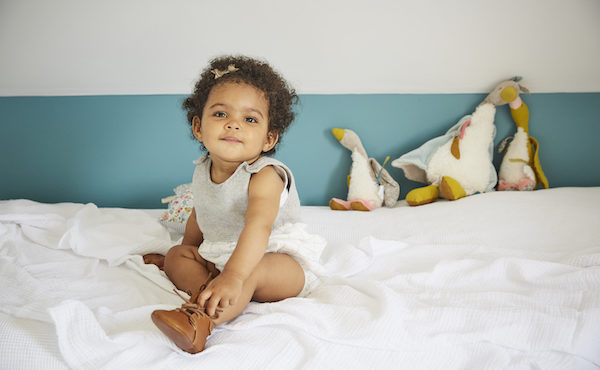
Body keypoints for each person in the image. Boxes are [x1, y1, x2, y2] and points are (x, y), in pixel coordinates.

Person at [144, 55, 325, 354]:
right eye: (220, 114)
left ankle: (200, 321)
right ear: (198, 128)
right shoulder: (202, 169)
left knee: (251, 272)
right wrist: (189, 250)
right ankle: (217, 291)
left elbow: (259, 226)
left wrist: (234, 275)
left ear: (268, 139)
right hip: (226, 257)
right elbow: (200, 212)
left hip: (277, 260)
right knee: (177, 255)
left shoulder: (265, 175)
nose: (233, 125)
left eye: (249, 119)